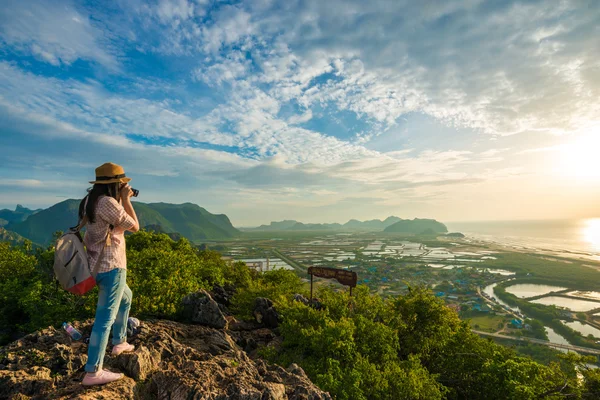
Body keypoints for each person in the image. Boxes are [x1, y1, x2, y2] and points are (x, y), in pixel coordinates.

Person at [79, 162, 140, 386]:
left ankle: (120, 341)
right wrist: (126, 200)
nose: (125, 186)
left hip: (95, 265)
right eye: (122, 183)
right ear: (115, 184)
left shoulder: (90, 200)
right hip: (112, 267)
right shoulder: (109, 203)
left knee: (127, 298)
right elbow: (134, 226)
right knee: (104, 320)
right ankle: (93, 371)